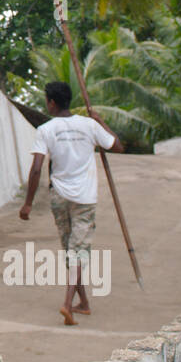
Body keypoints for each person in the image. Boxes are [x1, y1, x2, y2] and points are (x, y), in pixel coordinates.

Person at [18, 81, 123, 326]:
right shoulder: (89, 125)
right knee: (77, 252)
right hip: (85, 200)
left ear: (52, 103)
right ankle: (69, 304)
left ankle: (81, 304)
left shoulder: (46, 129)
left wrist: (28, 204)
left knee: (71, 251)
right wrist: (100, 121)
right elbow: (117, 146)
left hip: (59, 197)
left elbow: (36, 169)